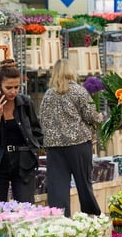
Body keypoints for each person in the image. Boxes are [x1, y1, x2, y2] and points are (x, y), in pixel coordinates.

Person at [39, 59, 102, 216]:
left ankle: (60, 220)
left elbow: (42, 118)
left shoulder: (48, 95)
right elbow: (91, 115)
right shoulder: (79, 91)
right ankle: (90, 218)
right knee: (84, 184)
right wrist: (99, 117)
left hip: (54, 147)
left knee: (57, 187)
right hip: (78, 144)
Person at [0, 58, 44, 203]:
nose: (13, 92)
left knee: (26, 209)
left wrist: (35, 150)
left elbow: (36, 130)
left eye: (16, 87)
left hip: (23, 162)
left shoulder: (25, 103)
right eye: (9, 87)